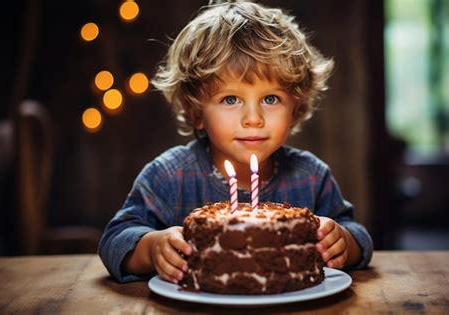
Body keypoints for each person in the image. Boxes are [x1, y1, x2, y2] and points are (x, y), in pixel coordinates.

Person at [99, 0, 373, 284]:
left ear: (295, 108)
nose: (253, 118)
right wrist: (151, 247)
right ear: (196, 111)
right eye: (230, 99)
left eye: (270, 99)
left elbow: (358, 234)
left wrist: (344, 242)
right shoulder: (169, 176)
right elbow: (114, 240)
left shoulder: (311, 176)